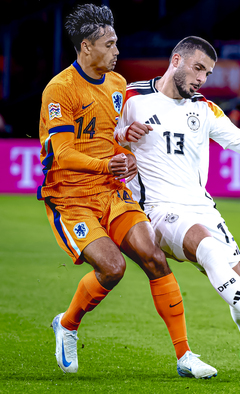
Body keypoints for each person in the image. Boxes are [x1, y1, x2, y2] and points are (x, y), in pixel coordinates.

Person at [38, 4, 216, 379]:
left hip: (111, 191)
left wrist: (126, 149)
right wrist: (109, 163)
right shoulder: (60, 89)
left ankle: (185, 356)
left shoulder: (118, 85)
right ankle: (68, 324)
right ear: (86, 47)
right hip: (71, 199)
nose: (117, 50)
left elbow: (114, 139)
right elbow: (63, 152)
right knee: (113, 267)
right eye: (110, 43)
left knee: (154, 257)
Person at [114, 36, 240, 374]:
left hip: (203, 207)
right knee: (210, 250)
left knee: (239, 278)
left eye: (208, 73)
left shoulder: (204, 108)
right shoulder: (132, 98)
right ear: (177, 60)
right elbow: (102, 136)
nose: (202, 79)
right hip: (159, 208)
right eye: (198, 68)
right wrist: (120, 138)